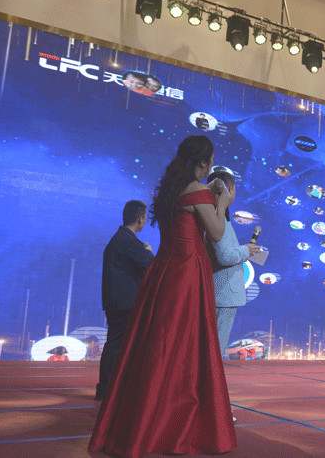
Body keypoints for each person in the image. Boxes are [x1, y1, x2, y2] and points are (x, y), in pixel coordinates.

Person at [89, 135, 236, 457]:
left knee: (155, 346)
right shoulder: (197, 190)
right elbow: (216, 233)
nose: (211, 165)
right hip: (187, 272)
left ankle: (143, 422)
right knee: (184, 348)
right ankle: (173, 425)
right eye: (211, 160)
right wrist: (222, 202)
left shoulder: (170, 190)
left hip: (164, 272)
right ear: (202, 162)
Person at [95, 200, 154, 401]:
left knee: (116, 344)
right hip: (124, 303)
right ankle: (106, 390)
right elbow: (150, 264)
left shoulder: (121, 239)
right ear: (140, 219)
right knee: (116, 345)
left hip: (117, 301)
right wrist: (148, 251)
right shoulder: (128, 241)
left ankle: (109, 388)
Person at [205, 167, 261, 357]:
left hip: (220, 292)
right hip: (223, 292)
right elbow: (224, 256)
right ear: (228, 190)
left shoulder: (214, 214)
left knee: (212, 345)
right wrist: (246, 250)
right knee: (215, 348)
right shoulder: (216, 216)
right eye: (234, 189)